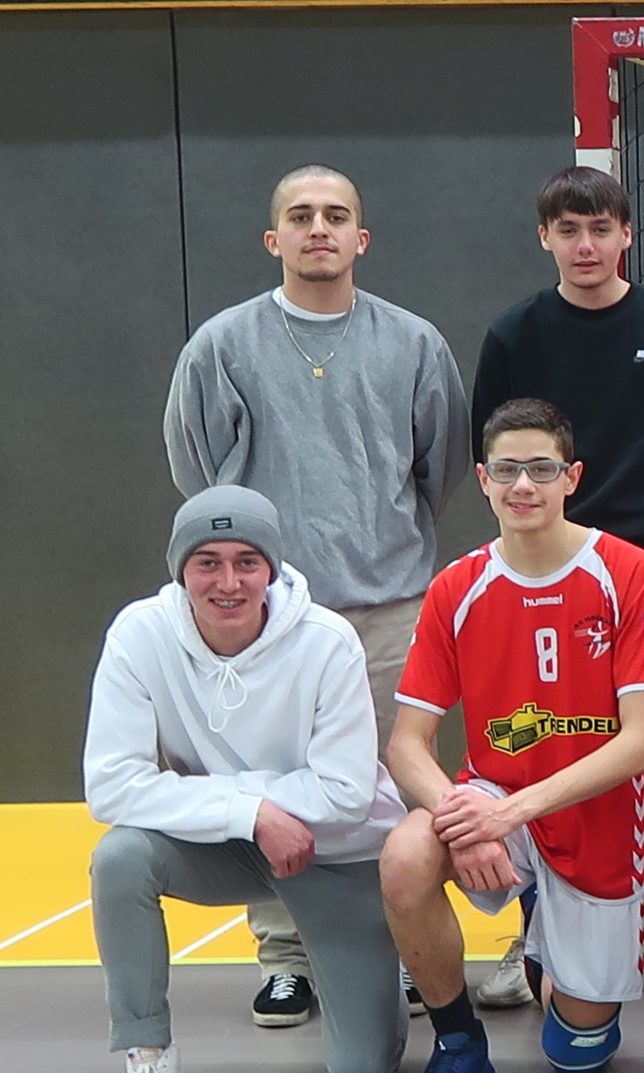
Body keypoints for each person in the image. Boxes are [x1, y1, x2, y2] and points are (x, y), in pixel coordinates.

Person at [163, 163, 470, 1027]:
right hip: (274, 618)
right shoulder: (222, 345)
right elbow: (198, 475)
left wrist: (378, 533)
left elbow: (441, 464)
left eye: (336, 216)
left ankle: (407, 945)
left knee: (396, 781)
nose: (319, 229)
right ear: (275, 239)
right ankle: (287, 957)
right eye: (300, 216)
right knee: (272, 782)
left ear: (361, 238)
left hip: (391, 605)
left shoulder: (413, 343)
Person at [377, 399, 644, 1073]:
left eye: (541, 469)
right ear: (483, 480)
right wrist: (463, 817)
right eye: (507, 470)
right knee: (407, 855)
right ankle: (458, 1046)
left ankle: (553, 929)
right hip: (494, 801)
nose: (523, 485)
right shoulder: (458, 586)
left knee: (577, 1054)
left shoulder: (627, 572)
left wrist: (508, 814)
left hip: (596, 815)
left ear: (571, 477)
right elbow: (407, 745)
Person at [83, 486, 410, 1073]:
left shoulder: (327, 641)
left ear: (272, 569)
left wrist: (250, 808)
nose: (228, 582)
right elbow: (111, 786)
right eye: (207, 562)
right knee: (120, 860)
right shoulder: (140, 634)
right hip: (228, 843)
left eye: (246, 562)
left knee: (363, 1071)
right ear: (181, 569)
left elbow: (347, 792)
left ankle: (374, 969)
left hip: (335, 850)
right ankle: (150, 1071)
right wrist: (251, 813)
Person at [472, 165, 644, 1009]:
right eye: (569, 230)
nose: (586, 245)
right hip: (542, 574)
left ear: (626, 235)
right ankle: (534, 935)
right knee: (543, 754)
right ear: (545, 237)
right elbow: (498, 454)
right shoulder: (514, 335)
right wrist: (556, 541)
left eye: (601, 229)